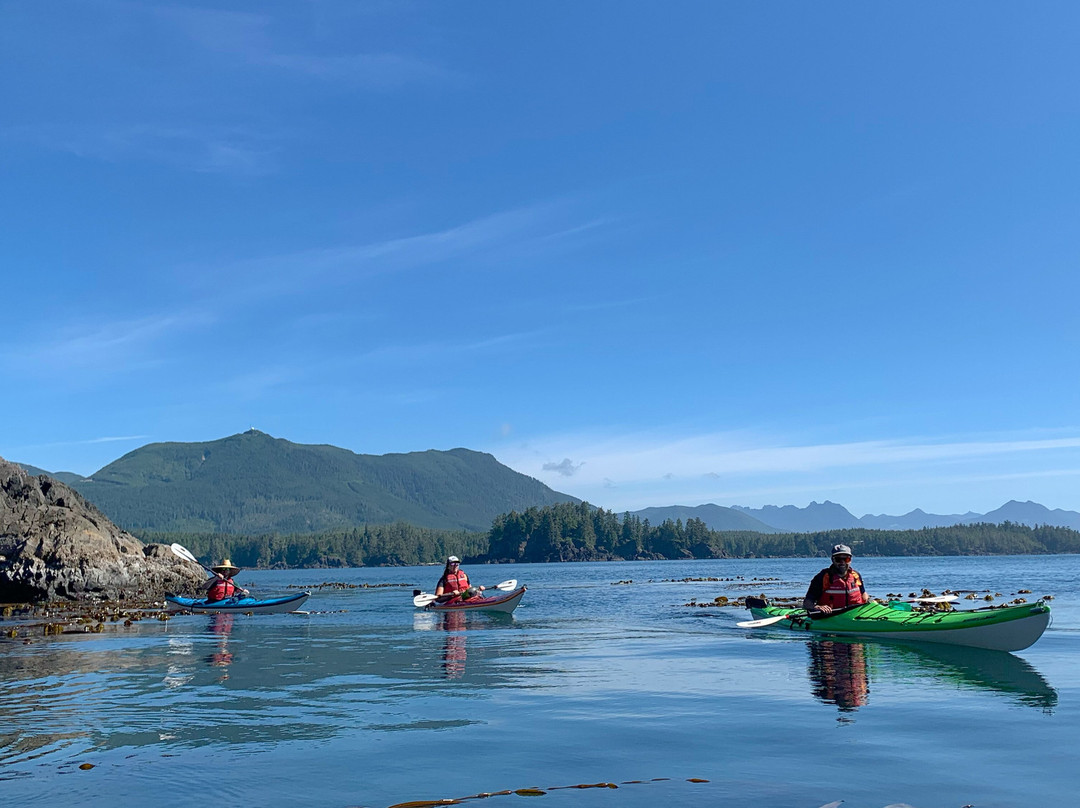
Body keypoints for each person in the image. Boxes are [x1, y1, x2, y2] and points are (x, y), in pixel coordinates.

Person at [803, 544, 866, 614]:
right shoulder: (822, 578)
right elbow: (807, 603)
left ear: (850, 560)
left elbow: (864, 594)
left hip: (856, 615)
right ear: (832, 560)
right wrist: (816, 607)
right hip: (830, 618)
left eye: (846, 559)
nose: (842, 562)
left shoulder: (856, 576)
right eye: (838, 559)